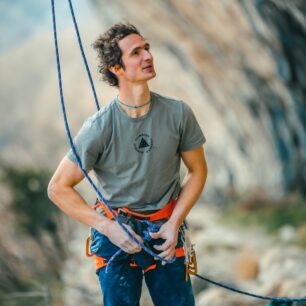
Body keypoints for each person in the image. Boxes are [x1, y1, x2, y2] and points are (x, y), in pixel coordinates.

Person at [48, 22, 208, 306]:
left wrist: (174, 223)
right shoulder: (99, 127)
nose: (147, 56)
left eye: (147, 48)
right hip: (116, 239)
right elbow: (58, 187)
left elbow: (197, 171)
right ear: (116, 68)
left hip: (165, 233)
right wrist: (108, 228)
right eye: (136, 52)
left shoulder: (178, 113)